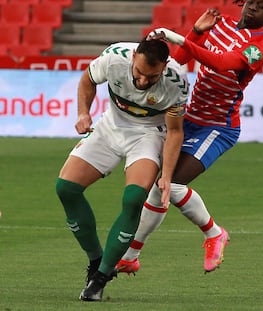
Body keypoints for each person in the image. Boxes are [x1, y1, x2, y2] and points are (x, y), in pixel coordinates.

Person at [116, 0, 263, 275]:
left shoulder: (256, 50)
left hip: (217, 127)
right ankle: (130, 257)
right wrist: (195, 32)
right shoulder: (220, 25)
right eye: (252, 1)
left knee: (169, 185)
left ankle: (214, 233)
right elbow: (180, 62)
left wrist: (176, 37)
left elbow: (219, 62)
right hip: (186, 119)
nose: (254, 7)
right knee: (160, 187)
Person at [55, 39, 188, 301]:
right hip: (110, 125)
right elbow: (87, 80)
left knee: (134, 198)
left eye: (151, 76)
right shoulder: (114, 58)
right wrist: (83, 113)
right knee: (66, 188)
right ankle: (96, 261)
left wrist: (167, 177)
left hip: (148, 135)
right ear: (133, 56)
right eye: (138, 73)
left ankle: (102, 277)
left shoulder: (176, 83)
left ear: (164, 67)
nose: (141, 82)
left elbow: (174, 132)